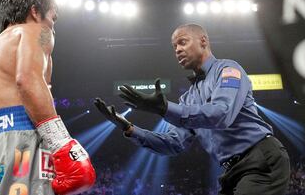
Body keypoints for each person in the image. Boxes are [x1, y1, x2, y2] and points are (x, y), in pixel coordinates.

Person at [95, 23, 290, 195]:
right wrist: (129, 129)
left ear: (203, 41)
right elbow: (173, 143)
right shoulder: (188, 98)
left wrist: (164, 108)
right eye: (174, 47)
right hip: (233, 170)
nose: (177, 50)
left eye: (182, 42)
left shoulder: (229, 69)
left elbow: (221, 114)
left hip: (260, 159)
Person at [0, 0, 96, 195]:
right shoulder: (36, 31)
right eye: (53, 18)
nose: (53, 27)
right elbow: (26, 80)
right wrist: (61, 143)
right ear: (35, 11)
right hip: (19, 147)